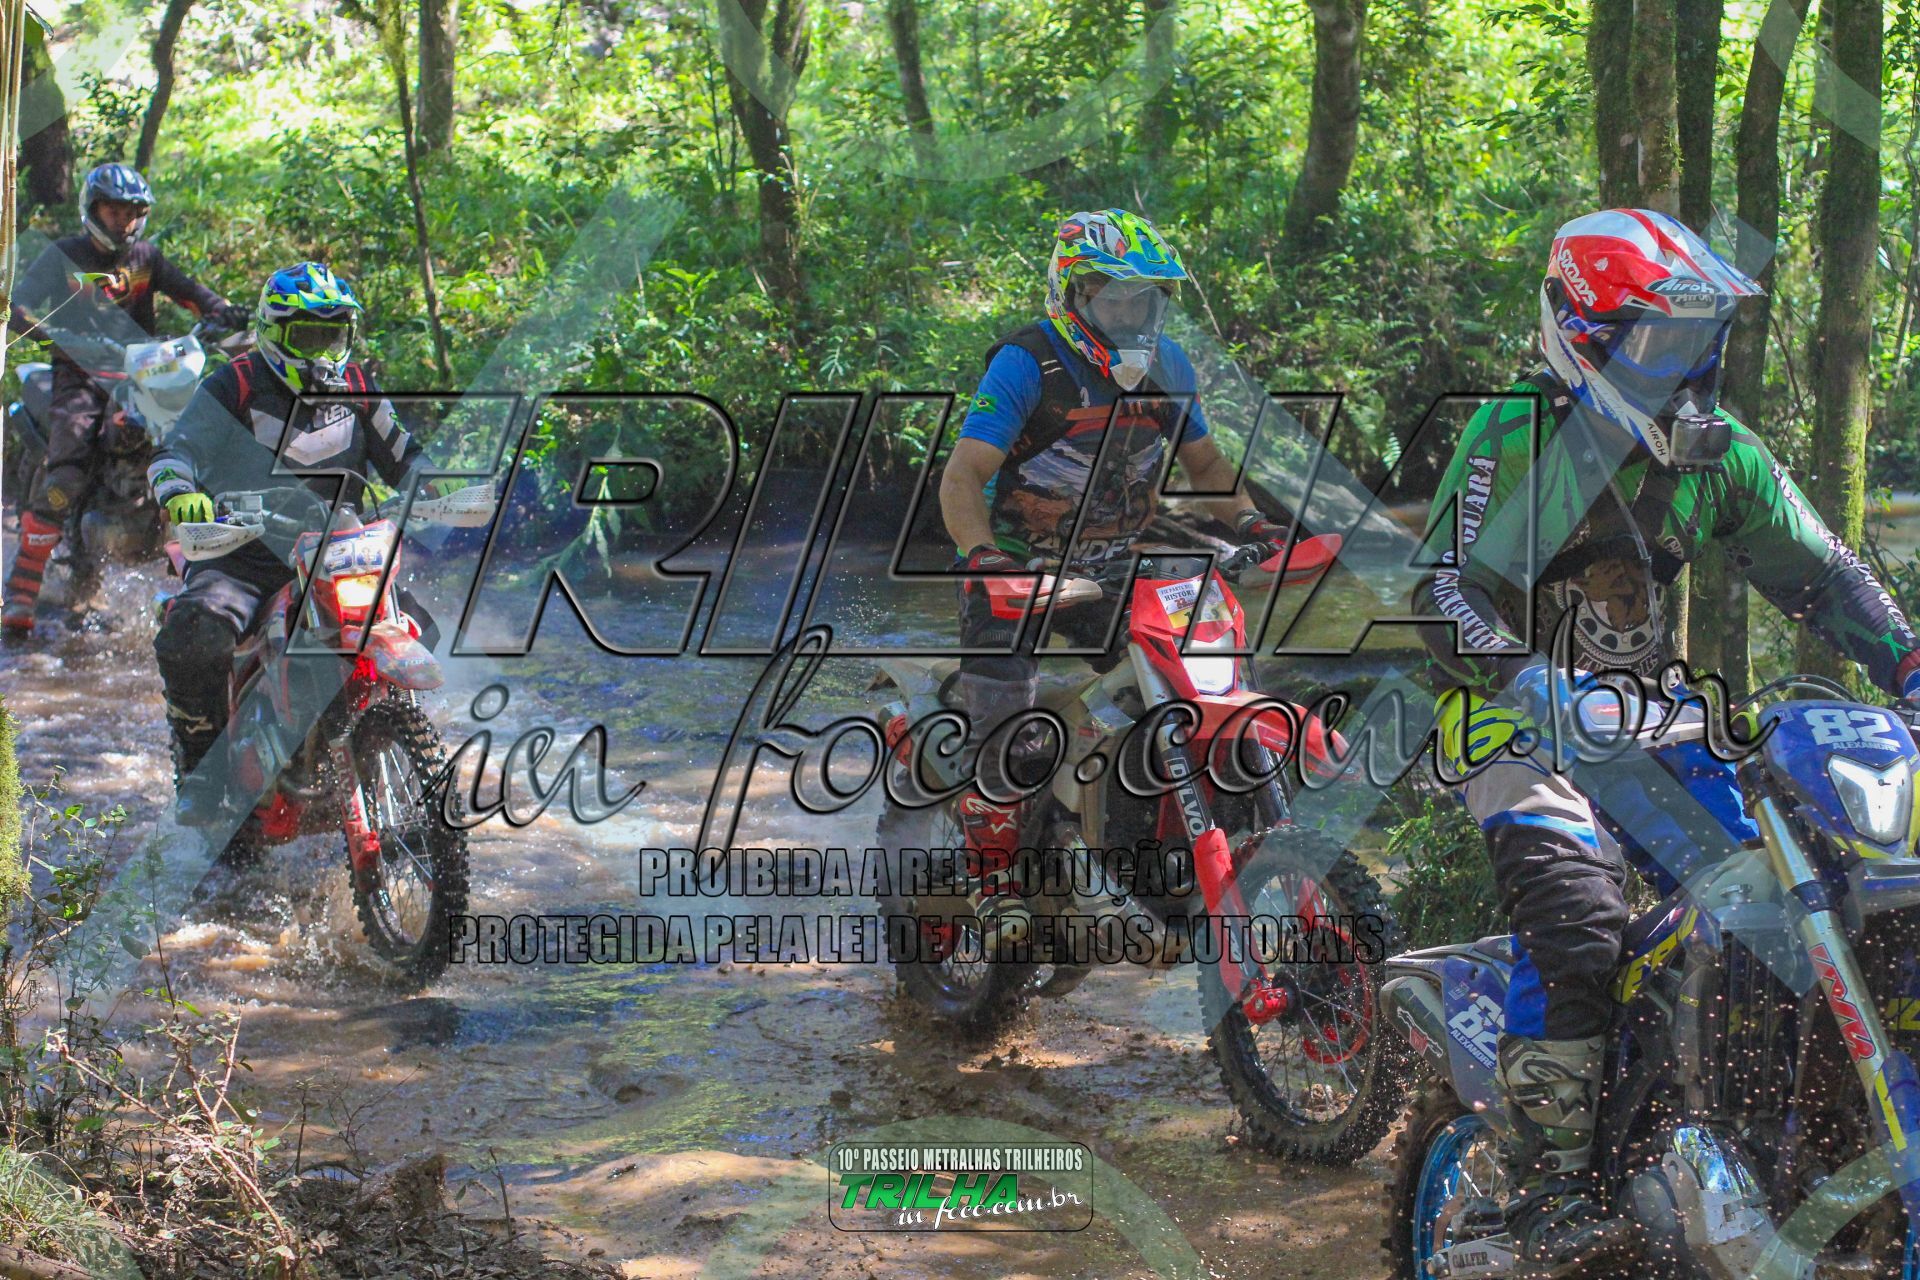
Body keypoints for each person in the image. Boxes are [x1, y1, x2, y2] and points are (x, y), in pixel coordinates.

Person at [1416, 207, 1920, 1276]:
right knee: (1577, 913)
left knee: (1788, 896)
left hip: (1658, 717)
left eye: (1697, 338)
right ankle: (1545, 1183)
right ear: (1582, 336)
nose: (1683, 362)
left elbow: (1824, 576)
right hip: (1509, 719)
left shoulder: (1719, 453)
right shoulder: (1517, 434)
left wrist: (1912, 665)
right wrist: (1530, 679)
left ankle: (1768, 1141)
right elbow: (1443, 590)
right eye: (1658, 338)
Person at [937, 208, 1294, 941]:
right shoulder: (1028, 363)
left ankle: (1159, 837)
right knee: (1008, 728)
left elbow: (1207, 465)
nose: (1130, 316)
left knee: (1204, 677)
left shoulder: (1170, 367)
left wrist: (1252, 524)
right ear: (1073, 295)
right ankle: (992, 876)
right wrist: (985, 559)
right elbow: (963, 476)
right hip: (1020, 569)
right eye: (1115, 300)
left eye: (1145, 301)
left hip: (1116, 564)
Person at [146, 262, 434, 826]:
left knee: (424, 625)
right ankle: (203, 770)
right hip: (244, 553)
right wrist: (180, 492)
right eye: (309, 336)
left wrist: (437, 487)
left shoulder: (359, 388)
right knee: (196, 633)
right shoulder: (234, 384)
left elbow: (407, 457)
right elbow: (174, 450)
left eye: (333, 335)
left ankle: (386, 742)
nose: (324, 351)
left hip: (339, 551)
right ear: (274, 333)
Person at [2, 162, 249, 632]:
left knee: (192, 444)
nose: (125, 221)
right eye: (115, 212)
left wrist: (223, 311)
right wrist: (51, 332)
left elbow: (191, 293)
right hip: (78, 373)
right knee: (69, 463)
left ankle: (211, 585)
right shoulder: (64, 254)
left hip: (144, 373)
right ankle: (20, 593)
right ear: (93, 209)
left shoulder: (145, 257)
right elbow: (19, 304)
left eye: (133, 213)